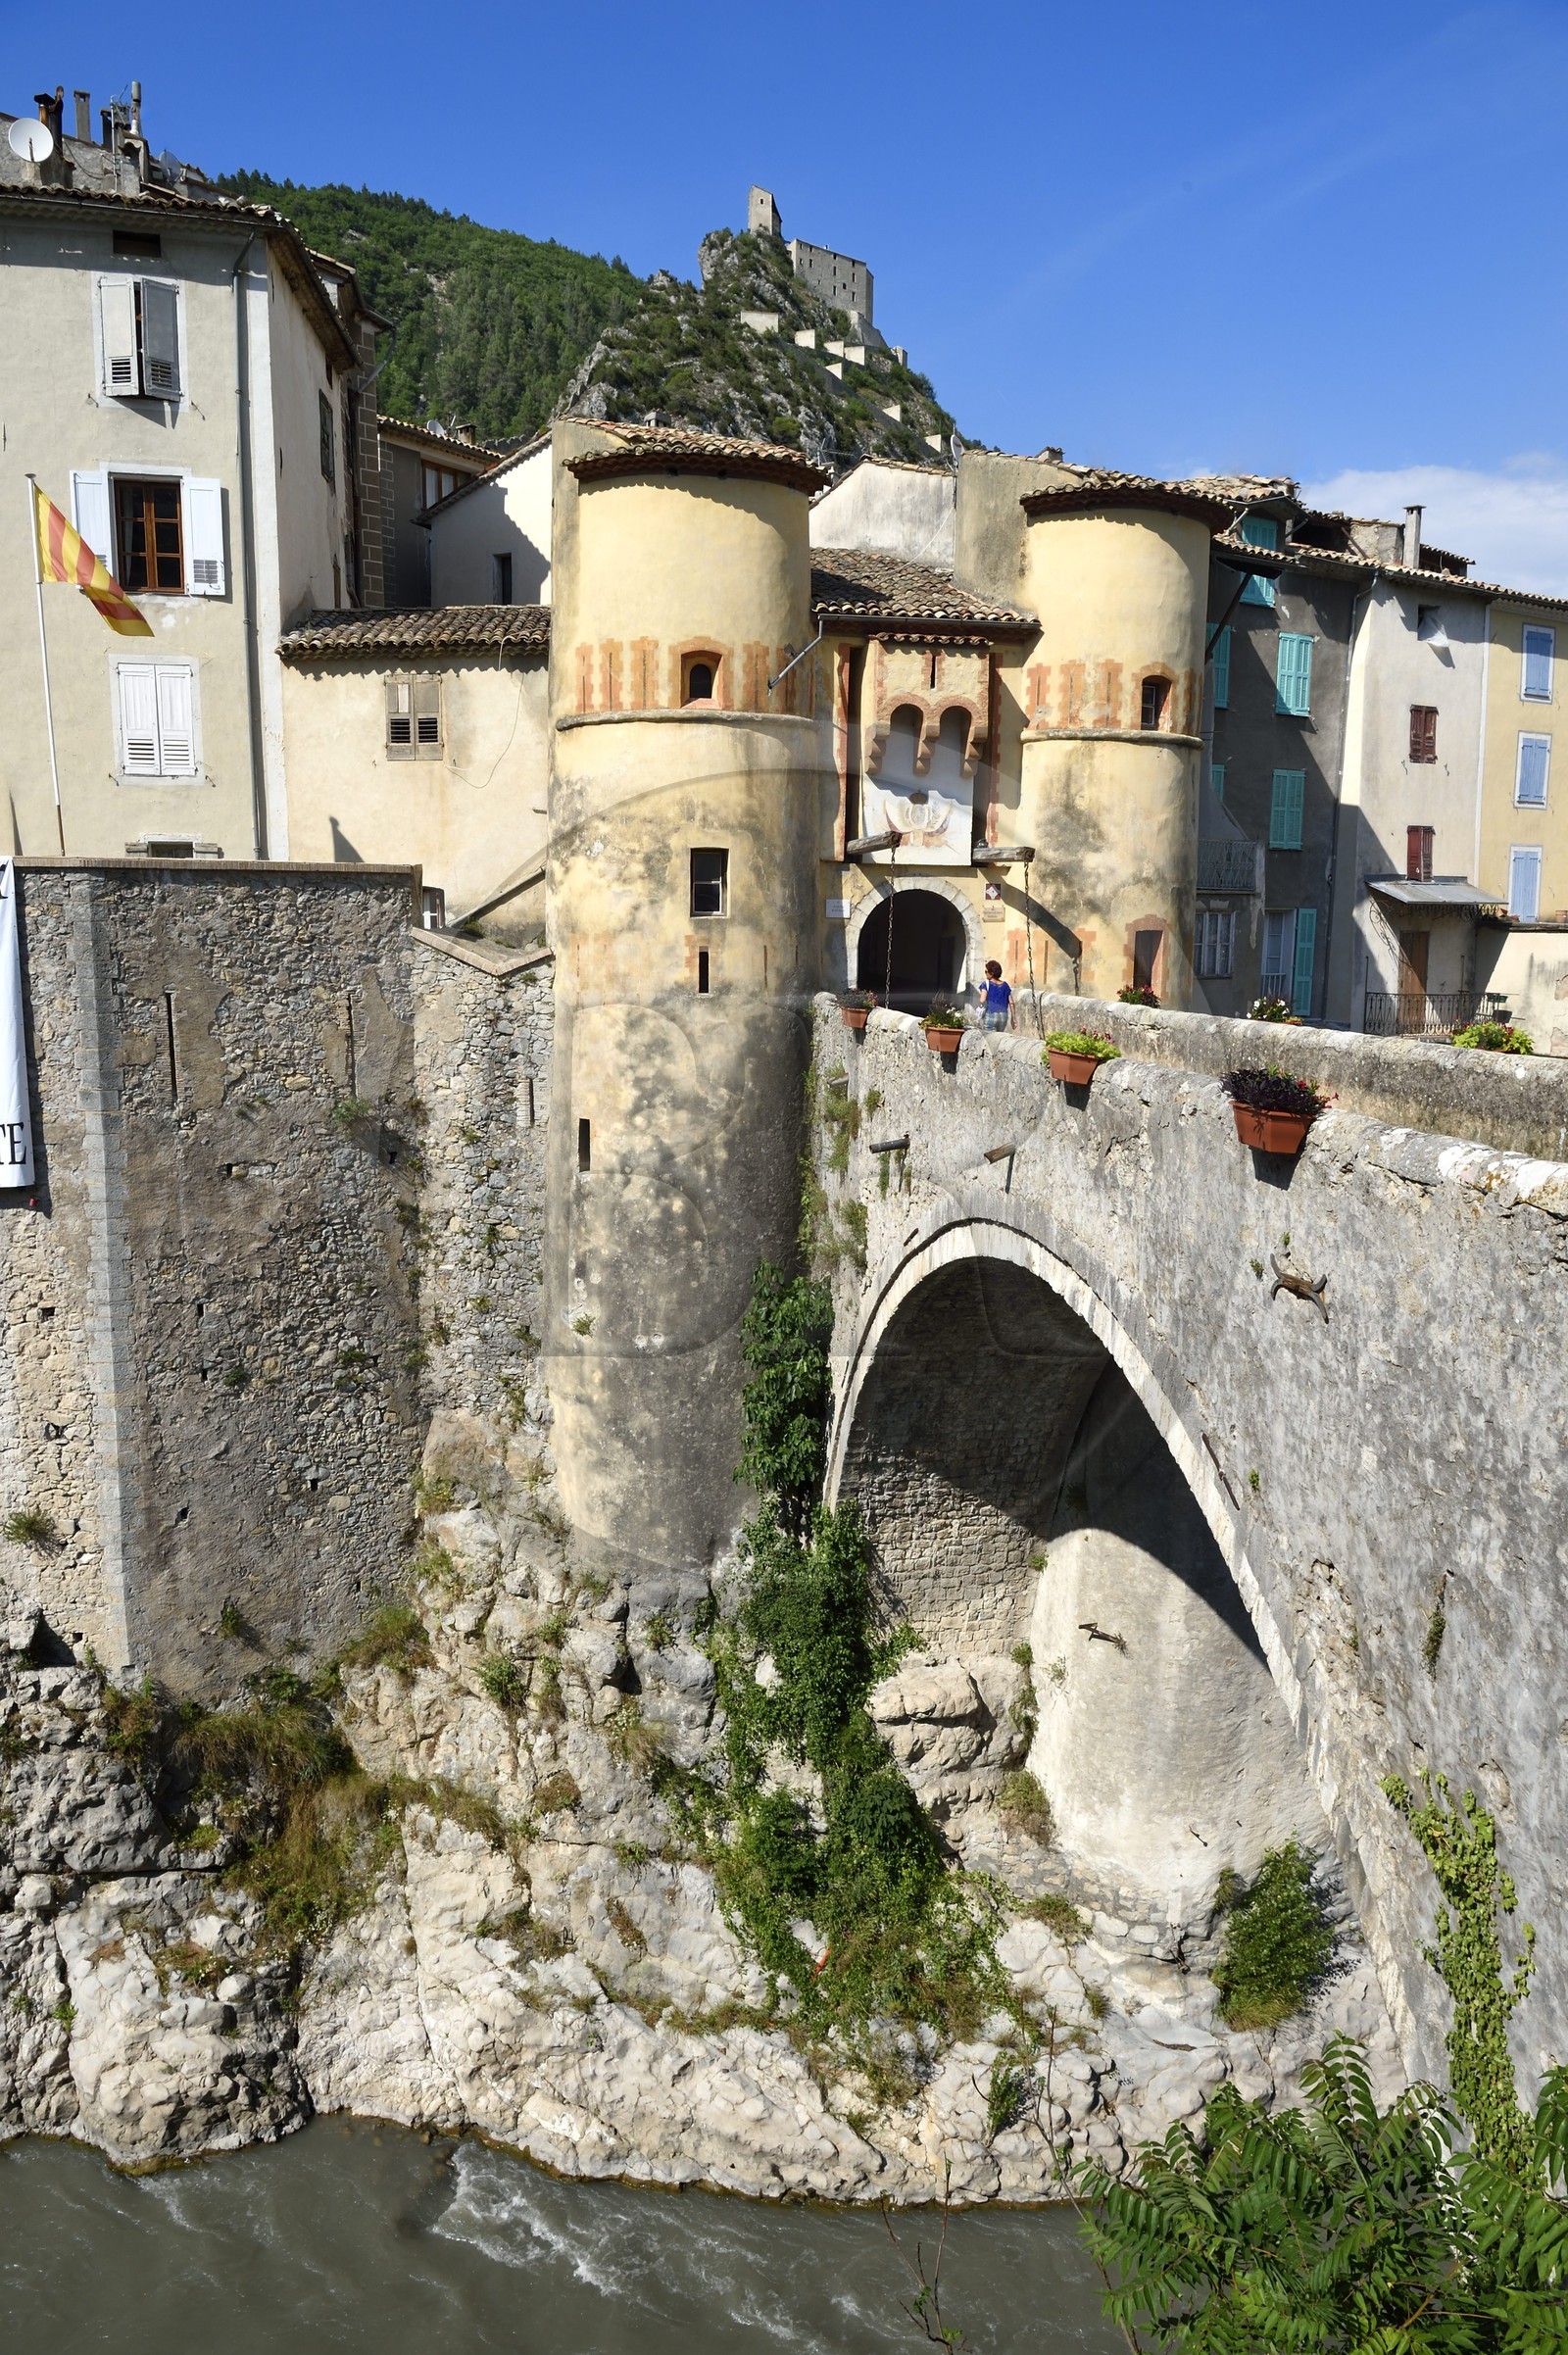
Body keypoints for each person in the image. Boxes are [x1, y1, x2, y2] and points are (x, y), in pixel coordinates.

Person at [980, 959, 1013, 1032]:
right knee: (999, 1037)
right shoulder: (1005, 985)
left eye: (986, 971)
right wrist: (1013, 1019)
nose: (985, 973)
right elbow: (1011, 1003)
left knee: (988, 1037)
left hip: (990, 1014)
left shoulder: (986, 984)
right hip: (1003, 1016)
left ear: (991, 973)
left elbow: (982, 1000)